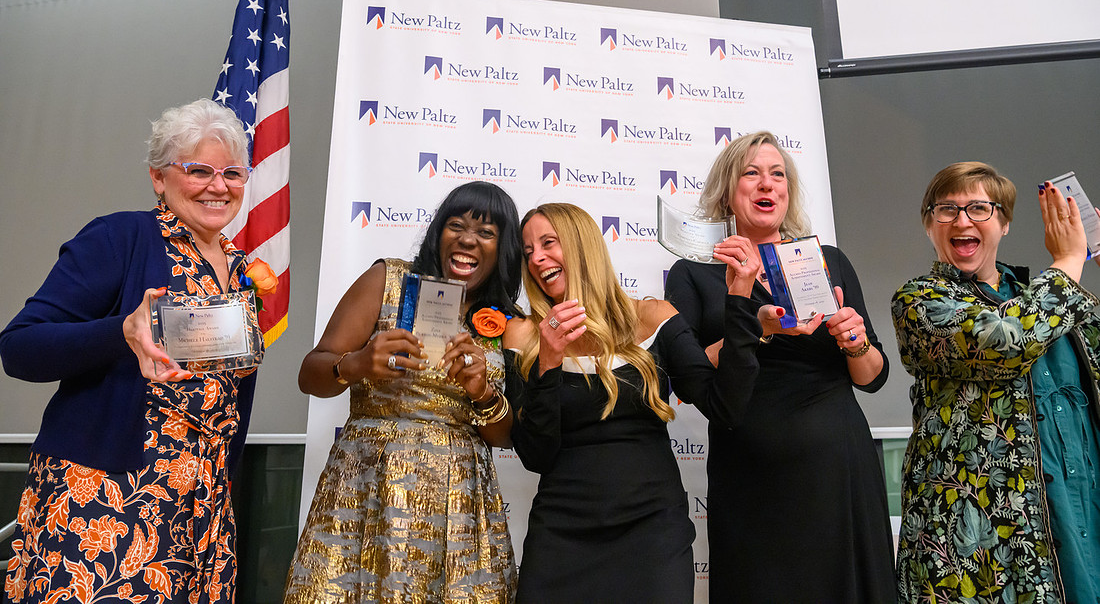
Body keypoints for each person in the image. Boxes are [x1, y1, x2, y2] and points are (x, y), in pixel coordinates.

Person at [1, 99, 270, 603]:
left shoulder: (240, 271)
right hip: (106, 499)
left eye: (233, 172)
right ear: (158, 178)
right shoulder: (121, 236)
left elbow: (232, 397)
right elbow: (19, 347)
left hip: (204, 511)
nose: (219, 186)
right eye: (199, 170)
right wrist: (119, 333)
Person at [664, 130, 896, 603]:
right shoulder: (695, 274)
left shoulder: (826, 261)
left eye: (777, 174)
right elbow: (683, 382)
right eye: (751, 173)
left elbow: (872, 377)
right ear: (728, 191)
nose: (767, 184)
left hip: (838, 470)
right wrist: (757, 328)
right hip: (750, 480)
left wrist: (854, 342)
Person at [505, 202, 761, 603]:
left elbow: (725, 406)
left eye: (548, 243)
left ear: (581, 246)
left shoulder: (652, 316)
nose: (537, 259)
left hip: (652, 533)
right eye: (528, 251)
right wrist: (549, 362)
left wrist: (740, 298)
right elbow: (536, 454)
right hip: (562, 536)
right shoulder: (523, 335)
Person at [284, 181, 522, 603]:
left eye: (486, 232)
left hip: (460, 500)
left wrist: (483, 393)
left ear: (502, 248)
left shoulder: (508, 321)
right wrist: (355, 364)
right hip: (367, 485)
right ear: (438, 233)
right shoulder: (388, 279)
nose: (468, 238)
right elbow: (309, 374)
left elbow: (504, 437)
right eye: (456, 225)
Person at [892, 162, 1100, 603]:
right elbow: (1006, 341)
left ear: (1004, 224)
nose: (962, 220)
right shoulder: (920, 300)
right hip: (984, 539)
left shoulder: (1050, 297)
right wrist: (1067, 263)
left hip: (1080, 506)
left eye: (980, 208)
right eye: (946, 209)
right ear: (930, 225)